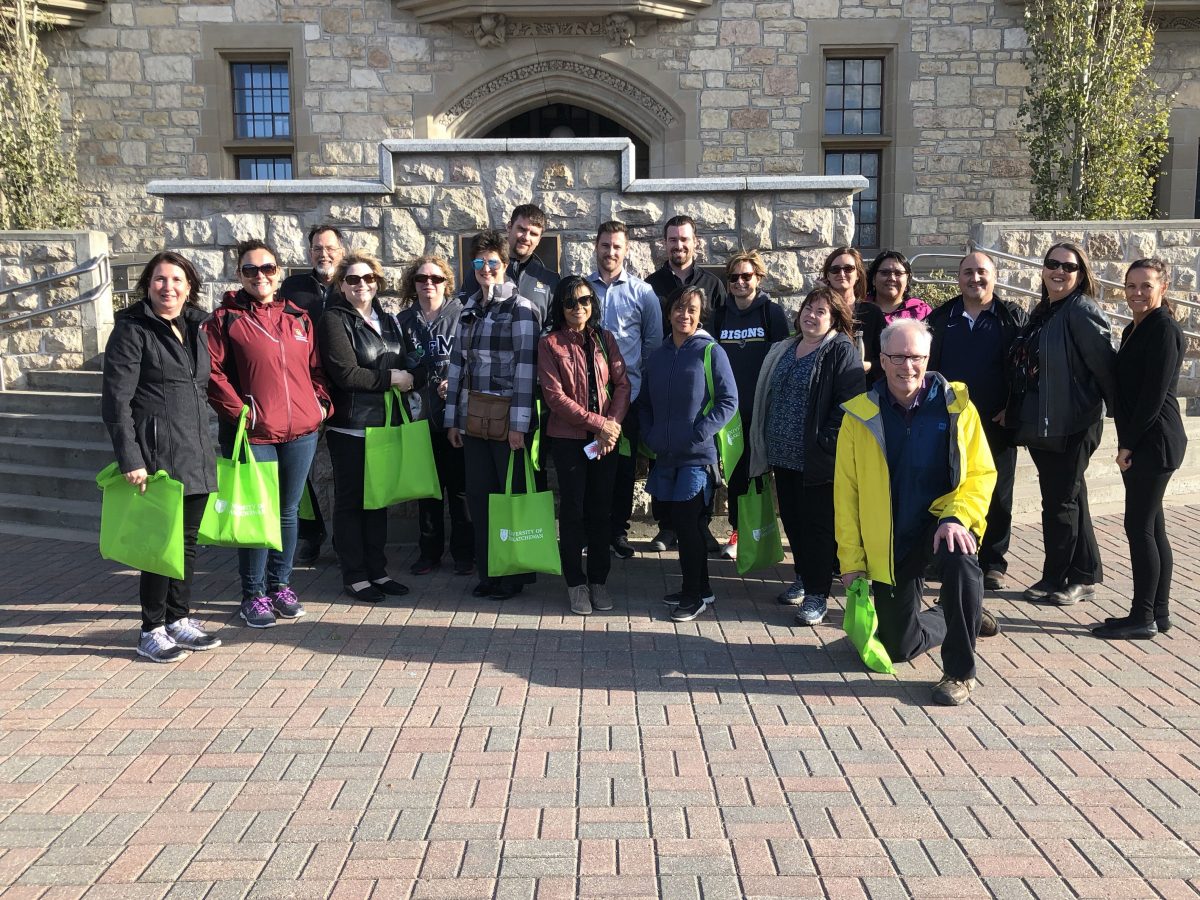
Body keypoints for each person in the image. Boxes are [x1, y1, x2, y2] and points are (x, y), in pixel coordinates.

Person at [835, 318, 999, 706]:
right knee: (897, 647)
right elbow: (847, 493)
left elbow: (980, 473)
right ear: (882, 359)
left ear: (928, 358)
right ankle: (962, 615)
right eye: (898, 357)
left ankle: (960, 672)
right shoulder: (859, 416)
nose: (908, 366)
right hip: (893, 537)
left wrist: (957, 515)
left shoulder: (957, 406)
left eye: (917, 357)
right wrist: (851, 560)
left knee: (961, 560)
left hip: (944, 523)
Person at [101, 251, 221, 662]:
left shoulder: (196, 326)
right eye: (159, 279)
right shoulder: (133, 330)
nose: (167, 287)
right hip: (156, 456)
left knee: (185, 543)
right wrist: (130, 457)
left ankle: (178, 619)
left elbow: (201, 388)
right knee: (158, 544)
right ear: (147, 285)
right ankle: (150, 629)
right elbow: (116, 402)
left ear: (190, 287)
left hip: (196, 451)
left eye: (176, 280)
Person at [206, 239, 331, 628]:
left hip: (301, 432)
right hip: (254, 433)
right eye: (250, 270)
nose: (260, 276)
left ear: (279, 273)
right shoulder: (224, 320)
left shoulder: (298, 317)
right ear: (239, 275)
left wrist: (321, 404)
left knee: (288, 511)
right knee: (257, 513)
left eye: (267, 269)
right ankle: (253, 593)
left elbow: (315, 369)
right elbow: (212, 374)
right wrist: (241, 414)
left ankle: (281, 584)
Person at [1010, 241, 1117, 607]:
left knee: (1060, 503)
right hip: (1043, 422)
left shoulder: (1081, 311)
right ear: (1042, 270)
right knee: (1070, 499)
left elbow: (1105, 367)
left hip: (1073, 423)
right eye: (1052, 264)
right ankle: (1084, 575)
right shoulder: (1045, 311)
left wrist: (1123, 426)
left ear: (1081, 274)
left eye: (1068, 267)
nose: (1059, 271)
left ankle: (1058, 577)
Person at [747, 286, 864, 617]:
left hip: (817, 459)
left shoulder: (840, 350)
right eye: (808, 309)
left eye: (821, 311)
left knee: (817, 527)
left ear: (834, 318)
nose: (812, 316)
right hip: (782, 456)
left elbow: (849, 404)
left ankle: (817, 594)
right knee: (794, 522)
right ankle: (803, 576)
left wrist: (824, 443)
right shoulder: (786, 346)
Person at [317, 251, 426, 602]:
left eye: (368, 279)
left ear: (377, 282)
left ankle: (378, 571)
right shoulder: (335, 319)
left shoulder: (388, 320)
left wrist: (419, 374)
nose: (361, 285)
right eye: (352, 279)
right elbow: (346, 373)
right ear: (342, 286)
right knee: (351, 503)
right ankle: (355, 575)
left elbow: (408, 360)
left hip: (385, 425)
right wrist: (393, 378)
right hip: (351, 427)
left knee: (378, 502)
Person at [444, 229, 540, 600]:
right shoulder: (467, 308)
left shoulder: (521, 309)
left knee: (509, 500)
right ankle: (489, 572)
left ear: (505, 264)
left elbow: (526, 372)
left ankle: (512, 575)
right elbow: (457, 368)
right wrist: (453, 419)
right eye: (480, 262)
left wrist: (519, 427)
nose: (486, 268)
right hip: (472, 421)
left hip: (506, 423)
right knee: (481, 502)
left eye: (493, 262)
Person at [1094, 258, 1186, 640]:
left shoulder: (1163, 329)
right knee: (1152, 526)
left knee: (1139, 527)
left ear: (1162, 288)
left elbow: (1152, 394)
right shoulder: (1138, 326)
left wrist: (1128, 444)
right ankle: (1158, 612)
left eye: (1145, 286)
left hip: (1154, 441)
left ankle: (1142, 615)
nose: (1136, 293)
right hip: (1148, 438)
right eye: (1131, 286)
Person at [927, 251, 1028, 591]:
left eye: (981, 272)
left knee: (998, 495)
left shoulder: (1011, 318)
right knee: (949, 489)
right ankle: (947, 556)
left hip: (997, 423)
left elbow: (1026, 369)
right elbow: (929, 370)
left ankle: (993, 563)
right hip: (950, 426)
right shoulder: (943, 317)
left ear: (994, 276)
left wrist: (1013, 406)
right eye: (968, 272)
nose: (975, 278)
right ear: (959, 278)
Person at [641, 286, 738, 623]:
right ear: (669, 313)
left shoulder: (711, 352)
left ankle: (692, 595)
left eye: (692, 309)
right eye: (680, 308)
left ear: (701, 315)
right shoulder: (658, 356)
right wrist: (650, 434)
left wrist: (698, 432)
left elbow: (729, 401)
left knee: (688, 525)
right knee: (688, 524)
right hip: (666, 455)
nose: (685, 315)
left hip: (697, 457)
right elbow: (645, 404)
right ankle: (704, 588)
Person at [538, 276, 631, 615]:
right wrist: (599, 424)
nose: (579, 308)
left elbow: (622, 384)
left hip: (605, 441)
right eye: (571, 302)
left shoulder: (605, 339)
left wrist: (612, 426)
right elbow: (554, 397)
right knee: (574, 511)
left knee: (600, 511)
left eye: (585, 300)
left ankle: (598, 581)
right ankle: (575, 584)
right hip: (569, 440)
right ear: (560, 307)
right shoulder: (550, 344)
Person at [645, 215, 728, 553]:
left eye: (684, 239)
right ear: (663, 243)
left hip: (700, 387)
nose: (678, 246)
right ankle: (667, 528)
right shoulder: (651, 284)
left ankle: (700, 525)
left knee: (702, 464)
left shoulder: (713, 285)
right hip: (664, 384)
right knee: (663, 460)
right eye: (672, 240)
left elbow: (720, 334)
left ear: (696, 243)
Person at [585, 220, 663, 559]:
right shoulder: (580, 289)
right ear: (596, 247)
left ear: (626, 250)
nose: (610, 252)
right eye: (605, 245)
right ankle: (591, 531)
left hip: (625, 399)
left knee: (622, 469)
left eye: (617, 246)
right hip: (586, 398)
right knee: (589, 466)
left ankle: (617, 531)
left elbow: (653, 342)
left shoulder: (642, 293)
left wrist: (639, 388)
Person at [395, 255, 474, 577]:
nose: (429, 284)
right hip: (418, 418)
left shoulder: (462, 316)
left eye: (436, 279)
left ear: (447, 283)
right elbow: (394, 363)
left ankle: (464, 554)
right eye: (422, 279)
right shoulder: (403, 321)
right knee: (427, 491)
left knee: (459, 492)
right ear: (413, 284)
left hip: (455, 418)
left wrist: (456, 383)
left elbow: (476, 361)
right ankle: (429, 553)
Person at [710, 250, 790, 560]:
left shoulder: (772, 314)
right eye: (734, 277)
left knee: (765, 476)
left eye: (747, 276)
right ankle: (739, 530)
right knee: (738, 476)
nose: (741, 282)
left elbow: (784, 360)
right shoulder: (718, 316)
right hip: (731, 414)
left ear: (758, 277)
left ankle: (766, 532)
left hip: (763, 410)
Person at [280, 224, 346, 565]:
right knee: (300, 473)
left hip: (346, 390)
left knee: (344, 468)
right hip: (303, 391)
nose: (324, 254)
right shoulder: (292, 288)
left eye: (330, 247)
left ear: (342, 251)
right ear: (310, 253)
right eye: (318, 248)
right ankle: (312, 533)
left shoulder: (352, 283)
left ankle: (343, 537)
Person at [460, 204, 560, 325]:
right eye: (521, 229)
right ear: (509, 227)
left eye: (533, 234)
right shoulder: (482, 272)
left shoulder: (550, 280)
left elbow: (552, 327)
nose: (526, 237)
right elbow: (464, 314)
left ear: (539, 239)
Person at [820, 246, 884, 378]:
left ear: (858, 275)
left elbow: (887, 358)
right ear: (828, 275)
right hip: (825, 388)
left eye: (848, 268)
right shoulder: (817, 311)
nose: (841, 274)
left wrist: (868, 366)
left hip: (863, 389)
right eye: (835, 269)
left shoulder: (872, 313)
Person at [866, 250, 932, 324]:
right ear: (873, 279)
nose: (892, 278)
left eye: (898, 273)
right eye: (885, 273)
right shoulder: (860, 309)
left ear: (907, 280)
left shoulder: (920, 311)